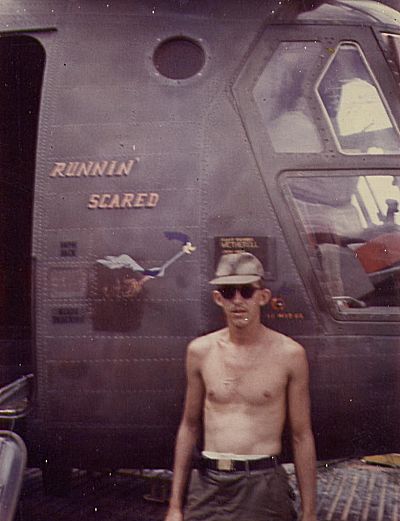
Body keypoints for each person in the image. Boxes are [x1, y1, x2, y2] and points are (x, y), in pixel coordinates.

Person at [165, 251, 317, 521]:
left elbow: (301, 436)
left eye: (246, 291)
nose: (237, 301)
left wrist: (310, 513)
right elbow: (188, 427)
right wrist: (175, 506)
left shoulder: (289, 355)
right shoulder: (200, 352)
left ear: (263, 297)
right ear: (217, 298)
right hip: (209, 483)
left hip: (262, 485)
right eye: (228, 291)